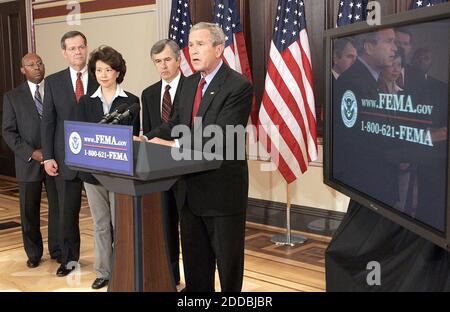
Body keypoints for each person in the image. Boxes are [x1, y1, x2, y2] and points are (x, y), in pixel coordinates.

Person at [146, 22, 253, 292]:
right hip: (188, 191)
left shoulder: (238, 86)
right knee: (195, 266)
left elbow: (218, 135)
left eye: (200, 44)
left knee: (227, 266)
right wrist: (147, 138)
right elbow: (174, 123)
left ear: (219, 49)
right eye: (190, 44)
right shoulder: (188, 82)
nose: (192, 50)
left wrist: (171, 145)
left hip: (221, 192)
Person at [75, 45, 140, 289]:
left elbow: (132, 138)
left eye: (108, 69)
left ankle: (123, 266)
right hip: (92, 175)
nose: (103, 74)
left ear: (118, 72)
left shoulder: (131, 102)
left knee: (120, 223)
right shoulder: (85, 102)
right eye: (99, 70)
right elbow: (81, 138)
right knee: (101, 224)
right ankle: (103, 271)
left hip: (120, 174)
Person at [41, 30, 98, 277]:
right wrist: (48, 157)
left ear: (87, 48)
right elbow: (48, 122)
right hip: (65, 160)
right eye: (72, 48)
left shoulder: (101, 76)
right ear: (64, 53)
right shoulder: (53, 82)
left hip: (97, 159)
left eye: (81, 47)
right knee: (67, 213)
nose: (78, 52)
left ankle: (110, 260)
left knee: (103, 215)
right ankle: (69, 260)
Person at [2, 53, 60, 268]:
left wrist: (51, 152)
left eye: (39, 63)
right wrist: (33, 153)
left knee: (57, 207)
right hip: (28, 162)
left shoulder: (55, 89)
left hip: (54, 159)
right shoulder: (12, 97)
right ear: (22, 69)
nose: (37, 67)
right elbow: (8, 132)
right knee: (29, 210)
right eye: (31, 64)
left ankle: (58, 250)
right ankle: (34, 253)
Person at [140, 39, 183, 285]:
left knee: (188, 231)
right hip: (160, 173)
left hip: (187, 167)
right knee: (165, 228)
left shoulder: (192, 86)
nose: (163, 66)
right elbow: (152, 130)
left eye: (167, 59)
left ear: (178, 60)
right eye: (158, 61)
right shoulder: (149, 93)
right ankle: (170, 278)